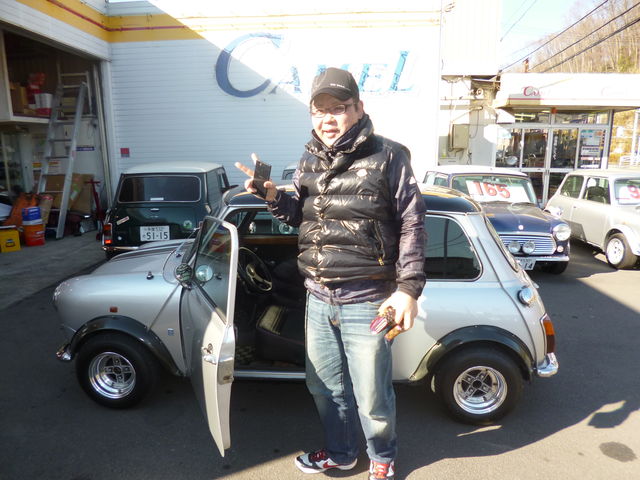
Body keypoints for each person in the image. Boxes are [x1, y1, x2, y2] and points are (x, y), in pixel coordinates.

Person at [235, 67, 426, 480]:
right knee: (323, 386)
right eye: (319, 110)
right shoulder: (309, 158)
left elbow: (412, 222)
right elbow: (301, 218)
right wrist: (272, 196)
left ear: (359, 108)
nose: (328, 118)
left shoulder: (389, 155)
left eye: (338, 108)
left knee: (371, 394)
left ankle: (382, 456)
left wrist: (408, 288)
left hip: (367, 299)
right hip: (318, 297)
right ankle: (342, 453)